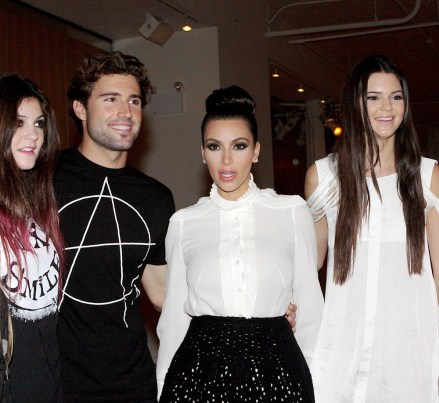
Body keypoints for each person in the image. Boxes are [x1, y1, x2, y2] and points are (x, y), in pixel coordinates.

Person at [156, 85, 324, 402]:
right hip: (198, 372)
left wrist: (317, 382)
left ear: (257, 151)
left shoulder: (291, 211)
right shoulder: (183, 223)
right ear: (202, 153)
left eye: (240, 145)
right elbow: (174, 323)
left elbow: (311, 312)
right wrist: (164, 386)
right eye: (215, 146)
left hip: (278, 371)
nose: (227, 159)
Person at [305, 54, 439, 402]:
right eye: (373, 97)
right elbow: (309, 264)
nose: (387, 107)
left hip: (411, 356)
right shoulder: (324, 177)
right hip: (342, 353)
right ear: (355, 103)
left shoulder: (428, 177)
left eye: (396, 96)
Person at [54, 52, 175, 402]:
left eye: (134, 100)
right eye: (111, 99)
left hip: (131, 384)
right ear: (80, 108)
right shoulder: (41, 178)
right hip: (54, 382)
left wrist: (253, 315)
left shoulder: (155, 197)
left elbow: (162, 293)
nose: (126, 112)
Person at [0, 73, 64, 402]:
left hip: (52, 378)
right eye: (18, 122)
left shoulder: (40, 203)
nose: (33, 135)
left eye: (39, 123)